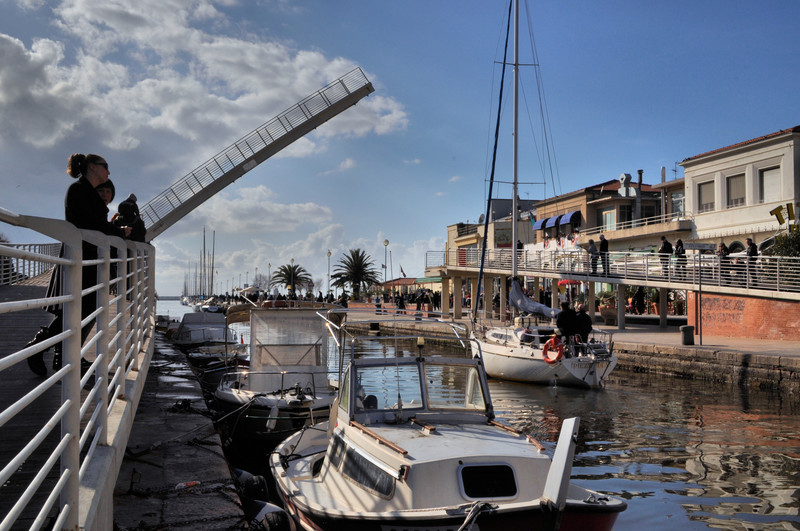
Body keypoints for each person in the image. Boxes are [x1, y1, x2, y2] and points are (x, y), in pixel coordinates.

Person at [25, 154, 132, 377]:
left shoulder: (86, 191)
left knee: (84, 310)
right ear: (92, 167)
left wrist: (113, 230)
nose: (108, 172)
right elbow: (89, 225)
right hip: (81, 258)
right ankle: (40, 347)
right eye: (105, 167)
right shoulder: (78, 190)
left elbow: (95, 225)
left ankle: (59, 355)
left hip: (89, 258)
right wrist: (117, 231)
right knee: (79, 310)